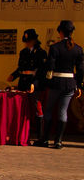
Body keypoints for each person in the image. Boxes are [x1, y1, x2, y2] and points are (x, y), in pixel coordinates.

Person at [34, 20, 84, 149]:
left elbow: (50, 66)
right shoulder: (78, 49)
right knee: (63, 111)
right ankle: (58, 141)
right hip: (70, 83)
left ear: (60, 32)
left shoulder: (55, 47)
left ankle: (45, 139)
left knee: (49, 110)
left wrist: (46, 81)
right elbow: (80, 69)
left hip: (56, 82)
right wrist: (79, 85)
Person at [7, 29, 47, 139]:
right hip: (24, 82)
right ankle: (22, 133)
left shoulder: (41, 53)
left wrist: (34, 83)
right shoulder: (23, 52)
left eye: (29, 41)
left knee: (36, 108)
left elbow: (42, 71)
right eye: (26, 41)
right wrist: (13, 75)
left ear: (34, 40)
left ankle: (40, 135)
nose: (27, 43)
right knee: (22, 108)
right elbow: (21, 68)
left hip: (35, 83)